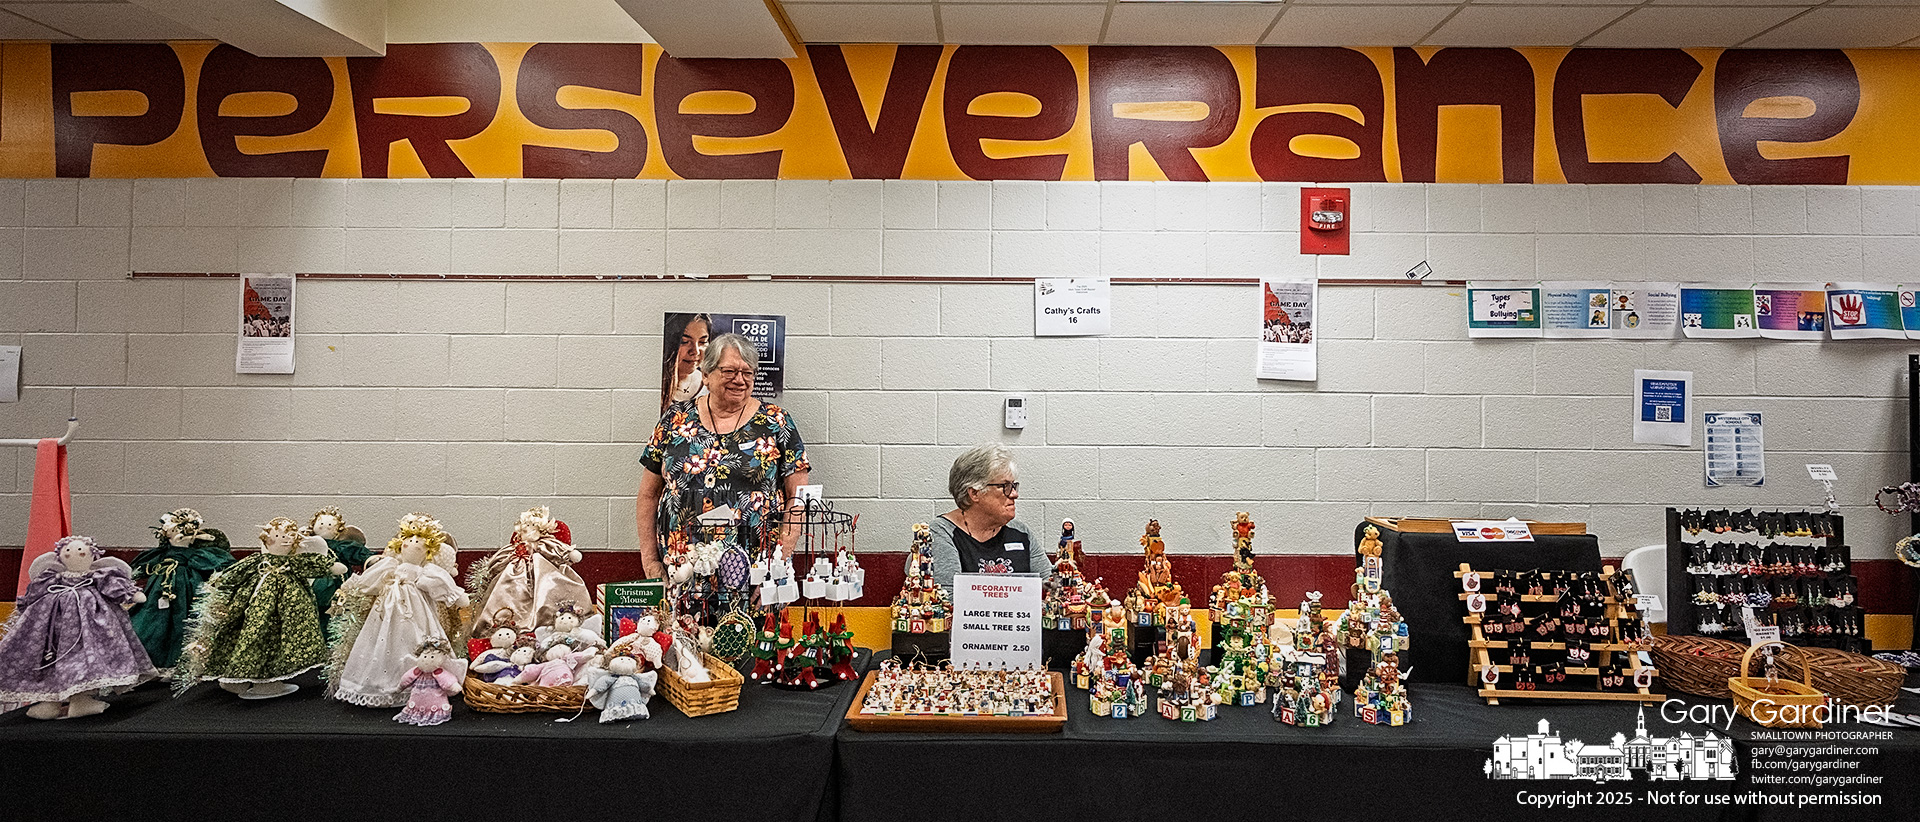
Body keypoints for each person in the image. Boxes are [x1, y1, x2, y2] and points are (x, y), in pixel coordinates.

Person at [637, 332, 810, 579]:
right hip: (681, 569)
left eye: (747, 372)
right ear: (706, 375)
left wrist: (779, 564)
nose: (739, 380)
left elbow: (799, 497)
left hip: (757, 574)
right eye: (729, 371)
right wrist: (650, 560)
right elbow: (648, 494)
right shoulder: (674, 419)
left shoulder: (777, 422)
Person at [924, 444, 1051, 594]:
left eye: (1013, 485)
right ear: (974, 493)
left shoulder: (1020, 532)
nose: (1014, 494)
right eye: (1005, 486)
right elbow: (950, 600)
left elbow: (1051, 586)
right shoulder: (940, 534)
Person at [660, 312, 712, 412]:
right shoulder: (655, 386)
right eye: (684, 341)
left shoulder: (710, 387)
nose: (695, 351)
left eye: (702, 342)